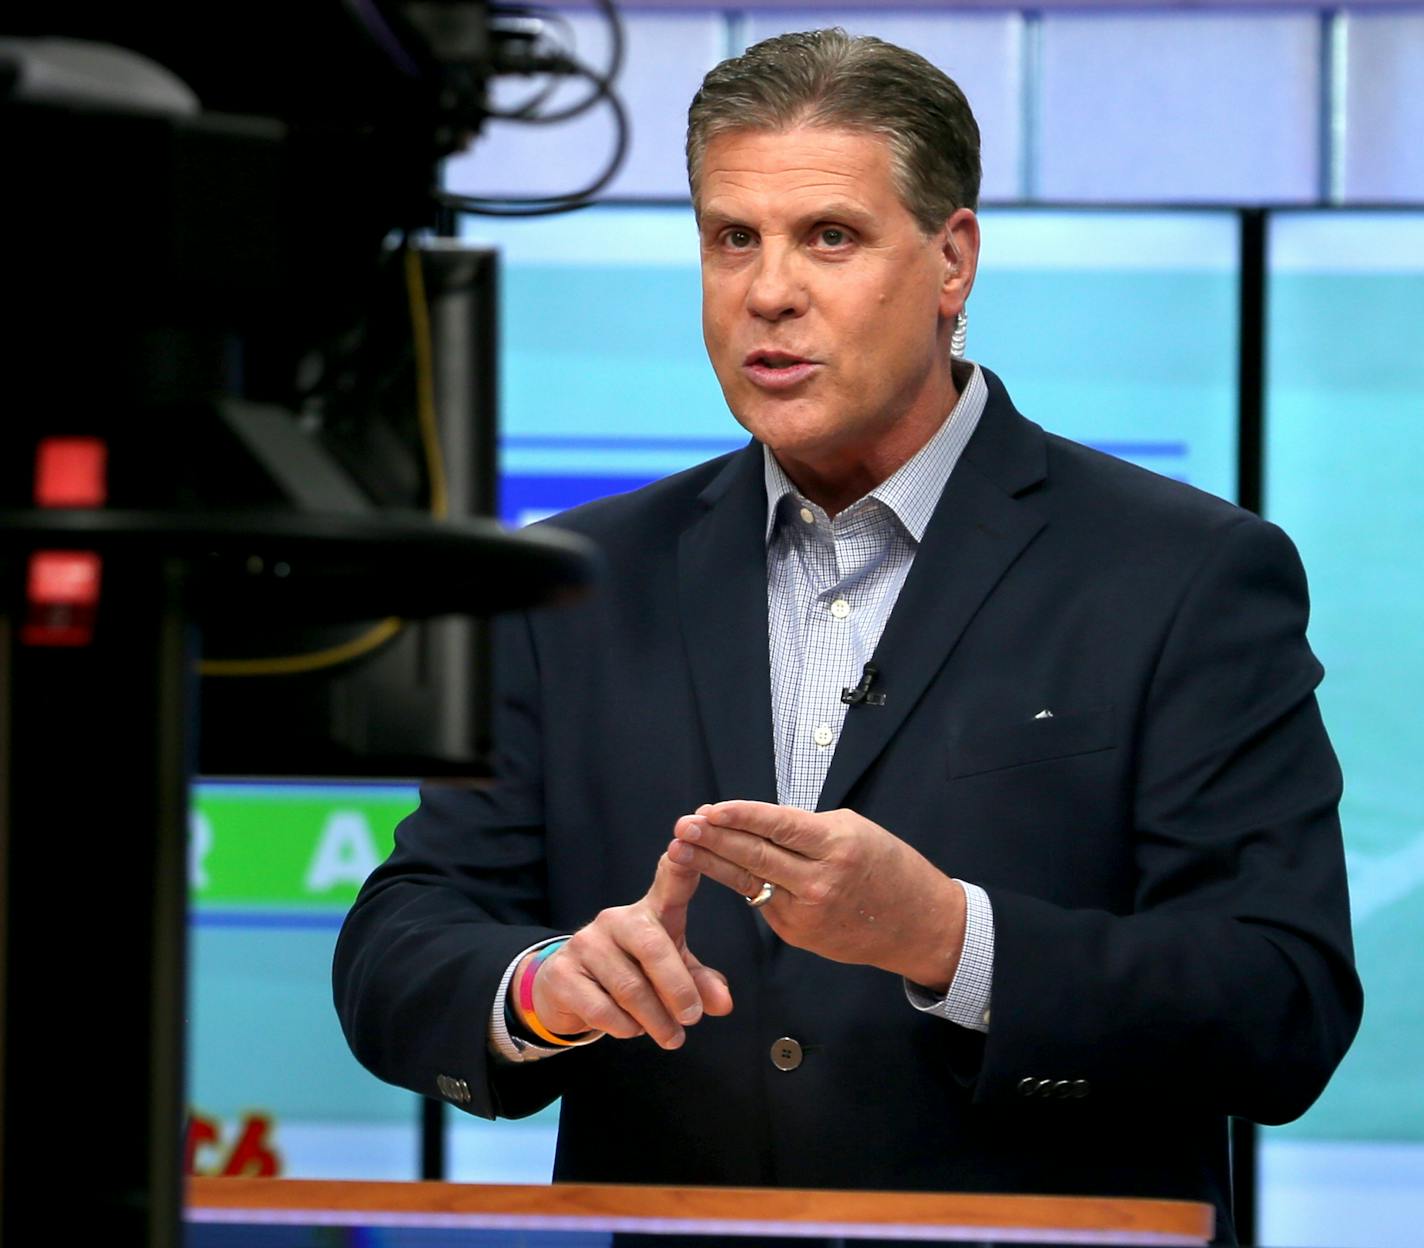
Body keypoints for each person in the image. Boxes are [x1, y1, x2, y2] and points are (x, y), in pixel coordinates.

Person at [334, 29, 1361, 1241]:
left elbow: (1277, 1000)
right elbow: (402, 940)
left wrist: (948, 939)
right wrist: (545, 989)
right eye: (731, 239)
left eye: (829, 235)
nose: (768, 290)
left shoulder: (1183, 574)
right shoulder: (573, 582)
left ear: (951, 261)